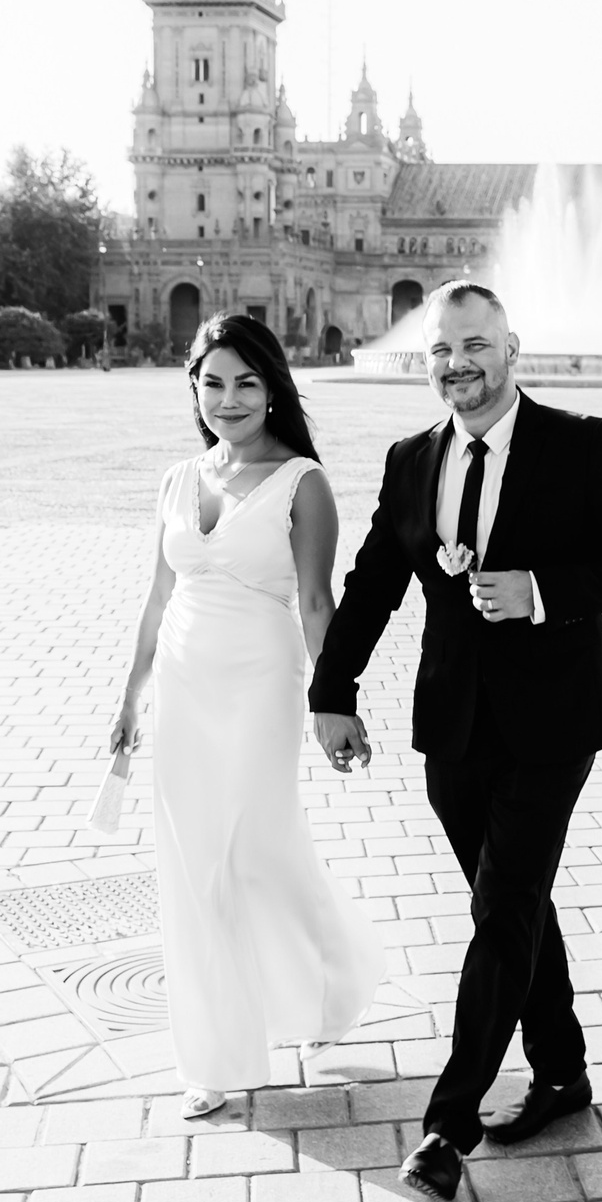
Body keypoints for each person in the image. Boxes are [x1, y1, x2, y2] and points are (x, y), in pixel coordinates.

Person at [311, 282, 602, 1202]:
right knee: (512, 901)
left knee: (501, 907)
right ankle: (560, 1071)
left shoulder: (580, 444)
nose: (456, 364)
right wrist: (332, 691)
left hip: (557, 720)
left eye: (474, 344)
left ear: (513, 348)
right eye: (439, 350)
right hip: (453, 723)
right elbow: (370, 586)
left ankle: (448, 1124)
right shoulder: (409, 460)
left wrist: (542, 591)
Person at [109, 316, 384, 1119]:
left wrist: (335, 703)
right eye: (213, 382)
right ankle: (213, 1055)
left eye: (246, 383)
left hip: (263, 682)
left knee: (254, 850)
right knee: (193, 867)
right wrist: (130, 694)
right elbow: (159, 596)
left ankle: (335, 976)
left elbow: (314, 601)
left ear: (273, 390)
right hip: (183, 693)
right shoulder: (175, 478)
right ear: (193, 387)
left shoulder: (303, 482)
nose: (228, 400)